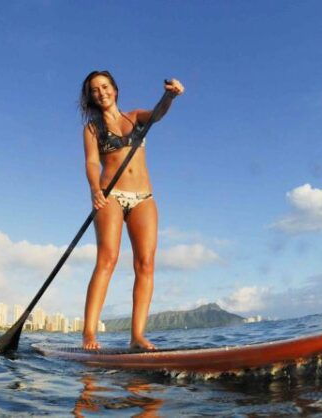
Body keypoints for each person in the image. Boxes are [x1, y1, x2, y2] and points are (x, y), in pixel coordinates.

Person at [79, 71, 183, 350]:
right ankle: (89, 333)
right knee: (107, 259)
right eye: (94, 90)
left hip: (143, 198)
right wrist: (94, 189)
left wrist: (169, 95)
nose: (101, 92)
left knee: (146, 264)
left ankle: (137, 336)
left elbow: (158, 114)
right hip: (109, 195)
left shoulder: (135, 117)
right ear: (90, 96)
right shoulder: (92, 128)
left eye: (105, 87)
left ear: (115, 88)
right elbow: (91, 163)